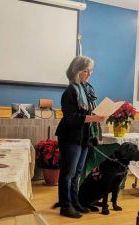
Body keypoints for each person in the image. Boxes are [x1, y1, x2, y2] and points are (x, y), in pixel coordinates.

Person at [55, 56, 105, 218]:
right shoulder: (70, 91)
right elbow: (71, 118)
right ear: (77, 71)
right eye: (86, 70)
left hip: (84, 136)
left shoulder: (87, 90)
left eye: (91, 70)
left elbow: (88, 112)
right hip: (70, 136)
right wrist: (94, 118)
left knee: (77, 172)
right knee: (68, 173)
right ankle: (65, 206)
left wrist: (98, 116)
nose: (89, 74)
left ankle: (75, 202)